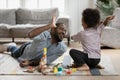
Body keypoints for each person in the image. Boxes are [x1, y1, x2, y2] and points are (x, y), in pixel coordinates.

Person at [0, 16, 67, 68]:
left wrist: (30, 63)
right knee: (14, 53)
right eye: (61, 29)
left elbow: (47, 60)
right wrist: (49, 26)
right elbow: (30, 35)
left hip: (33, 52)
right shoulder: (45, 35)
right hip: (24, 50)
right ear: (52, 29)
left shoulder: (62, 48)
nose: (63, 32)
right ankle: (10, 46)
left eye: (65, 31)